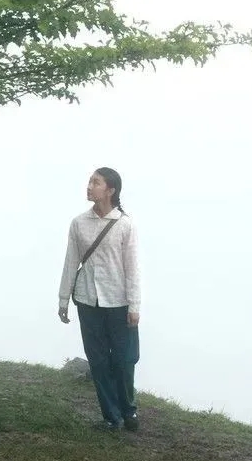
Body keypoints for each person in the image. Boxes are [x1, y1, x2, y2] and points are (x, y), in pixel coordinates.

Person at [57, 167, 141, 431]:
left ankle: (129, 410)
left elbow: (133, 268)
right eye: (90, 181)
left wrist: (134, 305)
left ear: (111, 190)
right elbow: (71, 262)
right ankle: (111, 416)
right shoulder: (78, 223)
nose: (89, 186)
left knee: (125, 359)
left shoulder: (125, 224)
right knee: (98, 359)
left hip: (119, 303)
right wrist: (63, 300)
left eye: (96, 182)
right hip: (87, 300)